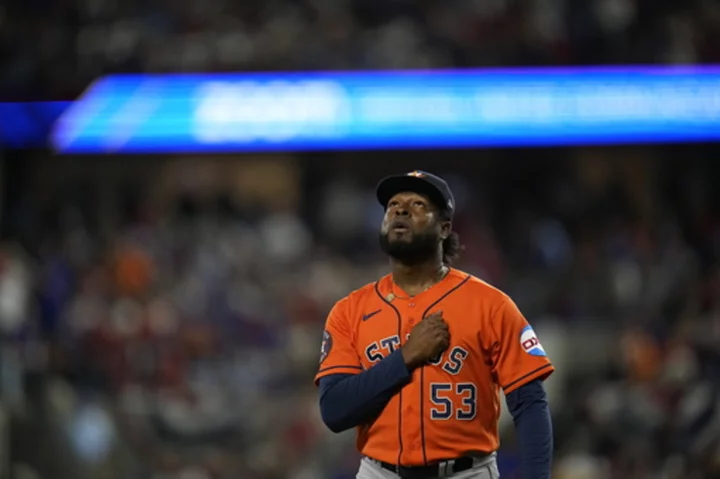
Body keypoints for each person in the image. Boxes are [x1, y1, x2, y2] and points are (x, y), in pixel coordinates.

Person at [315, 170, 554, 479]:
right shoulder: (349, 311)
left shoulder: (491, 304)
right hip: (380, 472)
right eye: (392, 205)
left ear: (444, 228)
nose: (400, 209)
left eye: (416, 204)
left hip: (468, 472)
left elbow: (530, 402)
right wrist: (405, 358)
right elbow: (334, 411)